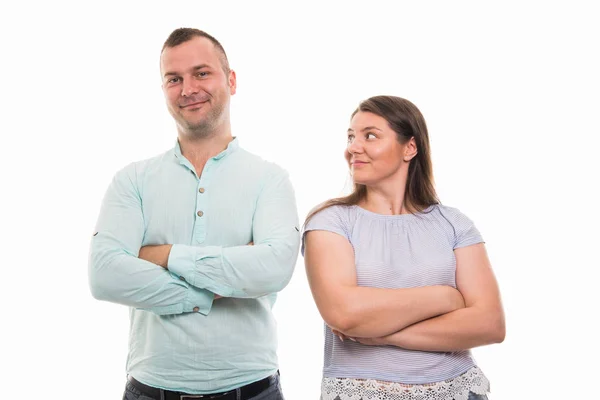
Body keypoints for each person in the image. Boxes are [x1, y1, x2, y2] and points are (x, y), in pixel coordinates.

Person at [89, 28, 299, 400]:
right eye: (174, 79)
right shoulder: (133, 180)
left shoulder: (270, 179)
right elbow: (105, 275)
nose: (188, 89)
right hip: (150, 390)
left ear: (231, 81)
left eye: (202, 73)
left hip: (252, 390)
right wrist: (215, 289)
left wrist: (165, 254)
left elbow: (274, 268)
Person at [302, 95, 505, 400]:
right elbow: (345, 314)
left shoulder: (454, 223)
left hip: (457, 390)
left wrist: (381, 333)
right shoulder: (329, 222)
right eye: (351, 136)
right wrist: (445, 297)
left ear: (410, 147)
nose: (353, 147)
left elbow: (490, 324)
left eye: (370, 135)